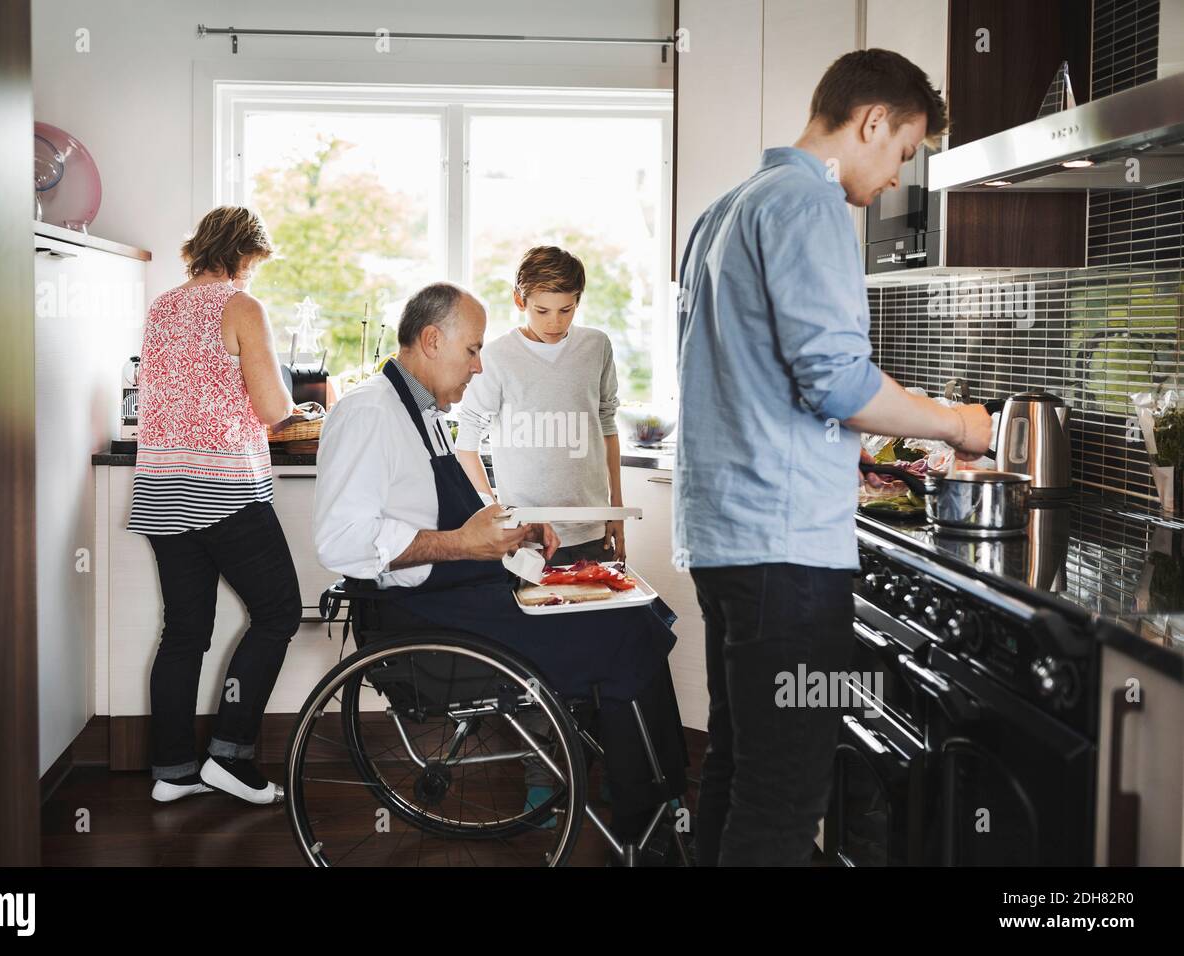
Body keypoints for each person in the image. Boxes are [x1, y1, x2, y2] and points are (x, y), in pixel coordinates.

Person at [675, 49, 993, 866]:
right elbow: (838, 383)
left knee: (739, 770)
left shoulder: (728, 208)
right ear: (873, 121)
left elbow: (755, 379)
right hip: (786, 558)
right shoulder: (810, 206)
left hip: (725, 543)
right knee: (783, 800)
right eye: (904, 151)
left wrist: (849, 444)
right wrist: (957, 425)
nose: (897, 175)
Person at [312, 281, 688, 846]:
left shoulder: (424, 412)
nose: (480, 367)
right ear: (432, 340)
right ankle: (652, 821)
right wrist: (464, 545)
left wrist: (508, 531)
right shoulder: (369, 413)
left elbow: (451, 517)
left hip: (463, 592)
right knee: (626, 628)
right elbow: (342, 541)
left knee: (634, 600)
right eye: (472, 350)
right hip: (428, 615)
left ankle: (656, 793)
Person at [128, 205, 300, 805]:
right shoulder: (241, 306)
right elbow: (275, 407)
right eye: (255, 262)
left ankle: (172, 771)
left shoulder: (162, 308)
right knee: (279, 614)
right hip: (224, 489)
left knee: (184, 632)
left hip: (161, 491)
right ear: (243, 253)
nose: (254, 274)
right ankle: (230, 756)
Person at [454, 246, 632, 821]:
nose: (555, 323)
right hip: (529, 538)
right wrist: (497, 511)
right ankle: (541, 777)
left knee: (599, 656)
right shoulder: (498, 357)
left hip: (587, 528)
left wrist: (615, 511)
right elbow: (467, 444)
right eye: (543, 311)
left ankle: (598, 772)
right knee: (537, 661)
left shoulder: (596, 347)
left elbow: (607, 428)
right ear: (520, 301)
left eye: (567, 310)